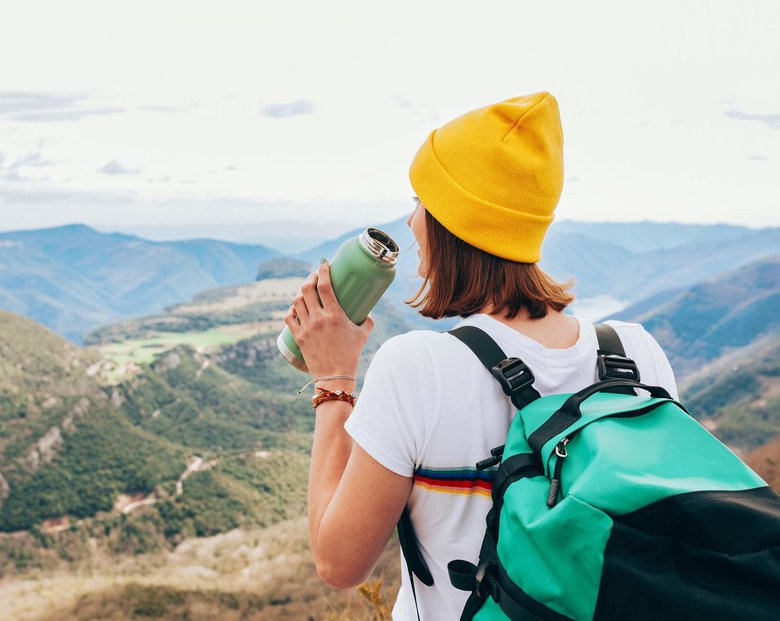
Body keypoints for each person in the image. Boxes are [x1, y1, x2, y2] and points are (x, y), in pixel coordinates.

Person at [283, 91, 679, 620]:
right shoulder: (637, 354)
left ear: (453, 221)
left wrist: (333, 380)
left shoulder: (416, 367)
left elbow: (338, 562)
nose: (410, 221)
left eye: (420, 201)